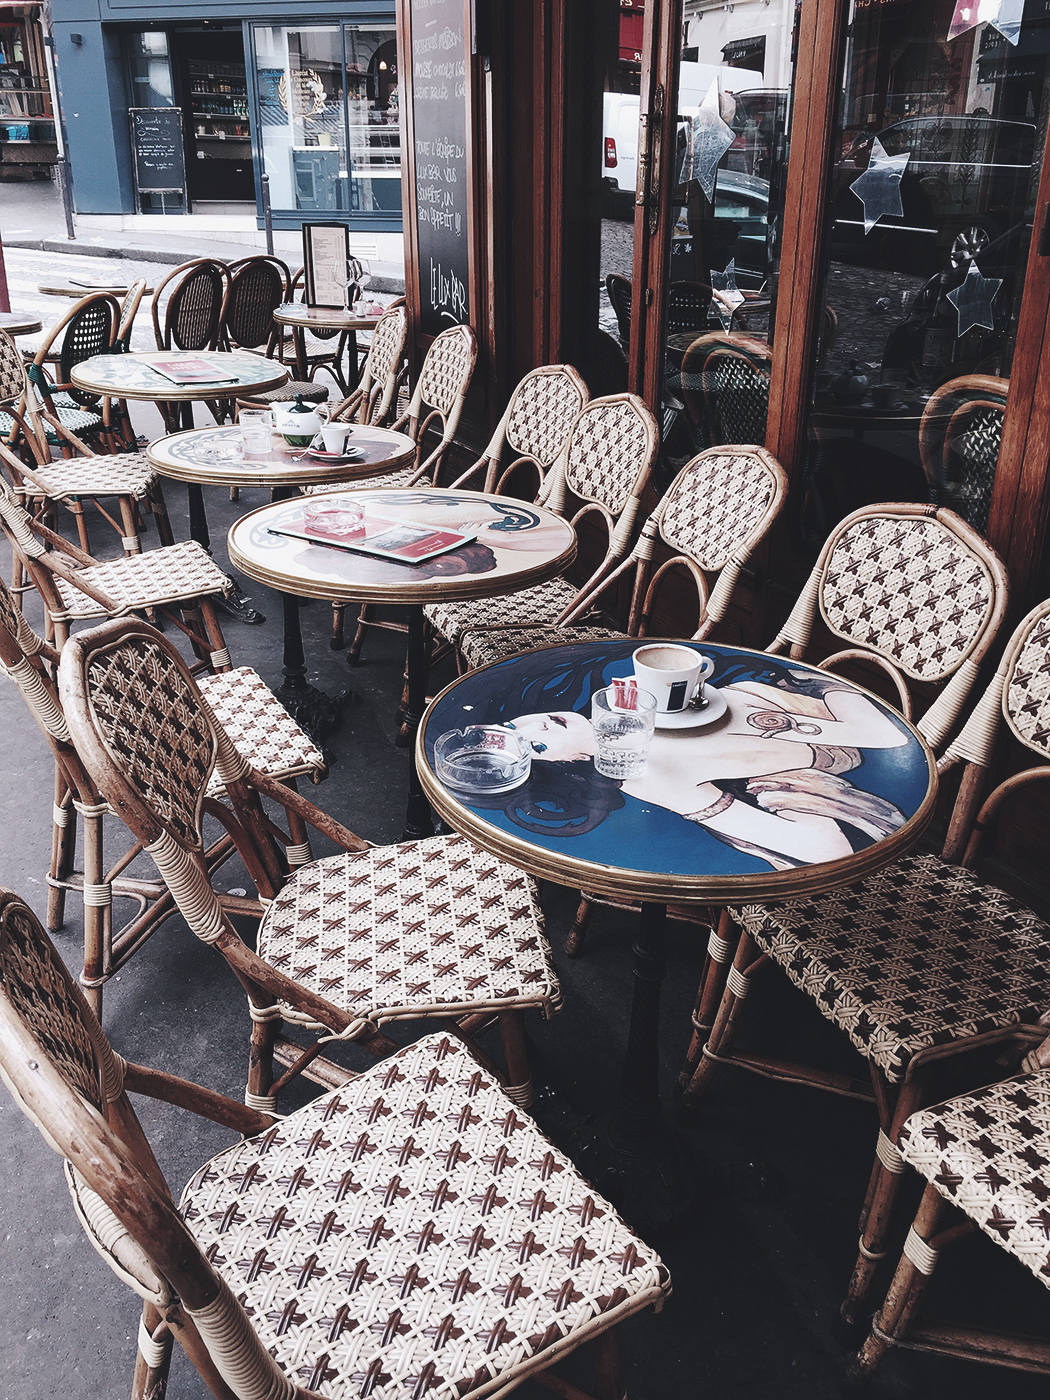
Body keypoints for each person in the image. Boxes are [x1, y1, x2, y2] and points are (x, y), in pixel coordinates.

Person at [485, 656, 909, 871]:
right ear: (570, 764)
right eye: (534, 747)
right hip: (864, 751)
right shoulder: (650, 780)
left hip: (836, 709)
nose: (534, 726)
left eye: (514, 725)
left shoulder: (635, 705)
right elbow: (824, 849)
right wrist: (791, 765)